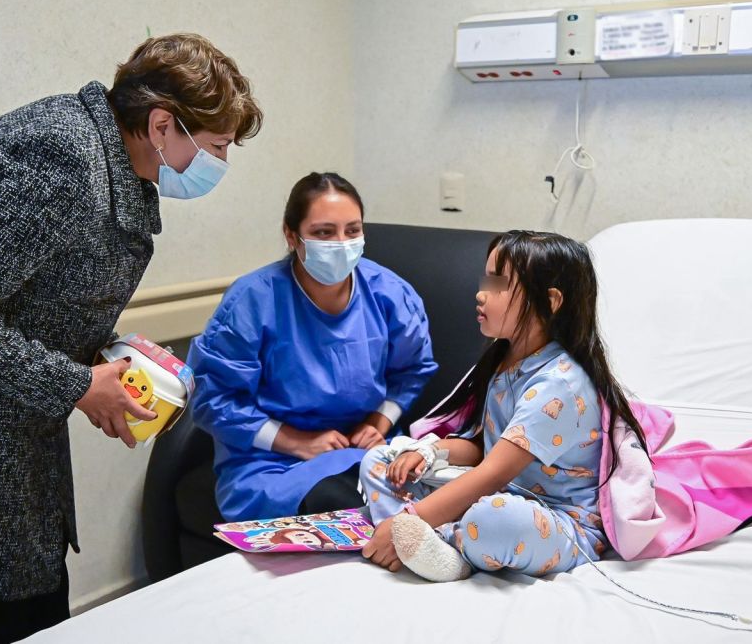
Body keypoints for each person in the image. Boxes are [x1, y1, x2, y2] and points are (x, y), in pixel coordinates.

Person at [0, 33, 262, 643]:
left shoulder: (112, 160)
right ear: (162, 124)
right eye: (216, 146)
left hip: (3, 417)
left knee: (29, 602)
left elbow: (35, 293)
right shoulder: (56, 156)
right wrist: (80, 385)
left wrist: (108, 354)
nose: (219, 164)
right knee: (11, 616)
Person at [359, 230, 648, 582]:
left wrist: (408, 520)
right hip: (500, 490)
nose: (481, 294)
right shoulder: (504, 364)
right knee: (380, 460)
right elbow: (484, 447)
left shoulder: (559, 385)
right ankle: (422, 540)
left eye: (498, 284)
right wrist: (431, 452)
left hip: (558, 522)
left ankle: (439, 548)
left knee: (493, 520)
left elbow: (493, 472)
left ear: (551, 301)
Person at [187, 172, 438, 522]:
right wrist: (296, 442)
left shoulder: (390, 294)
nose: (341, 242)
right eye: (323, 232)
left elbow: (413, 370)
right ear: (292, 236)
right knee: (336, 500)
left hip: (362, 447)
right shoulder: (253, 300)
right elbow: (213, 398)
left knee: (409, 498)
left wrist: (380, 421)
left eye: (352, 230)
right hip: (271, 460)